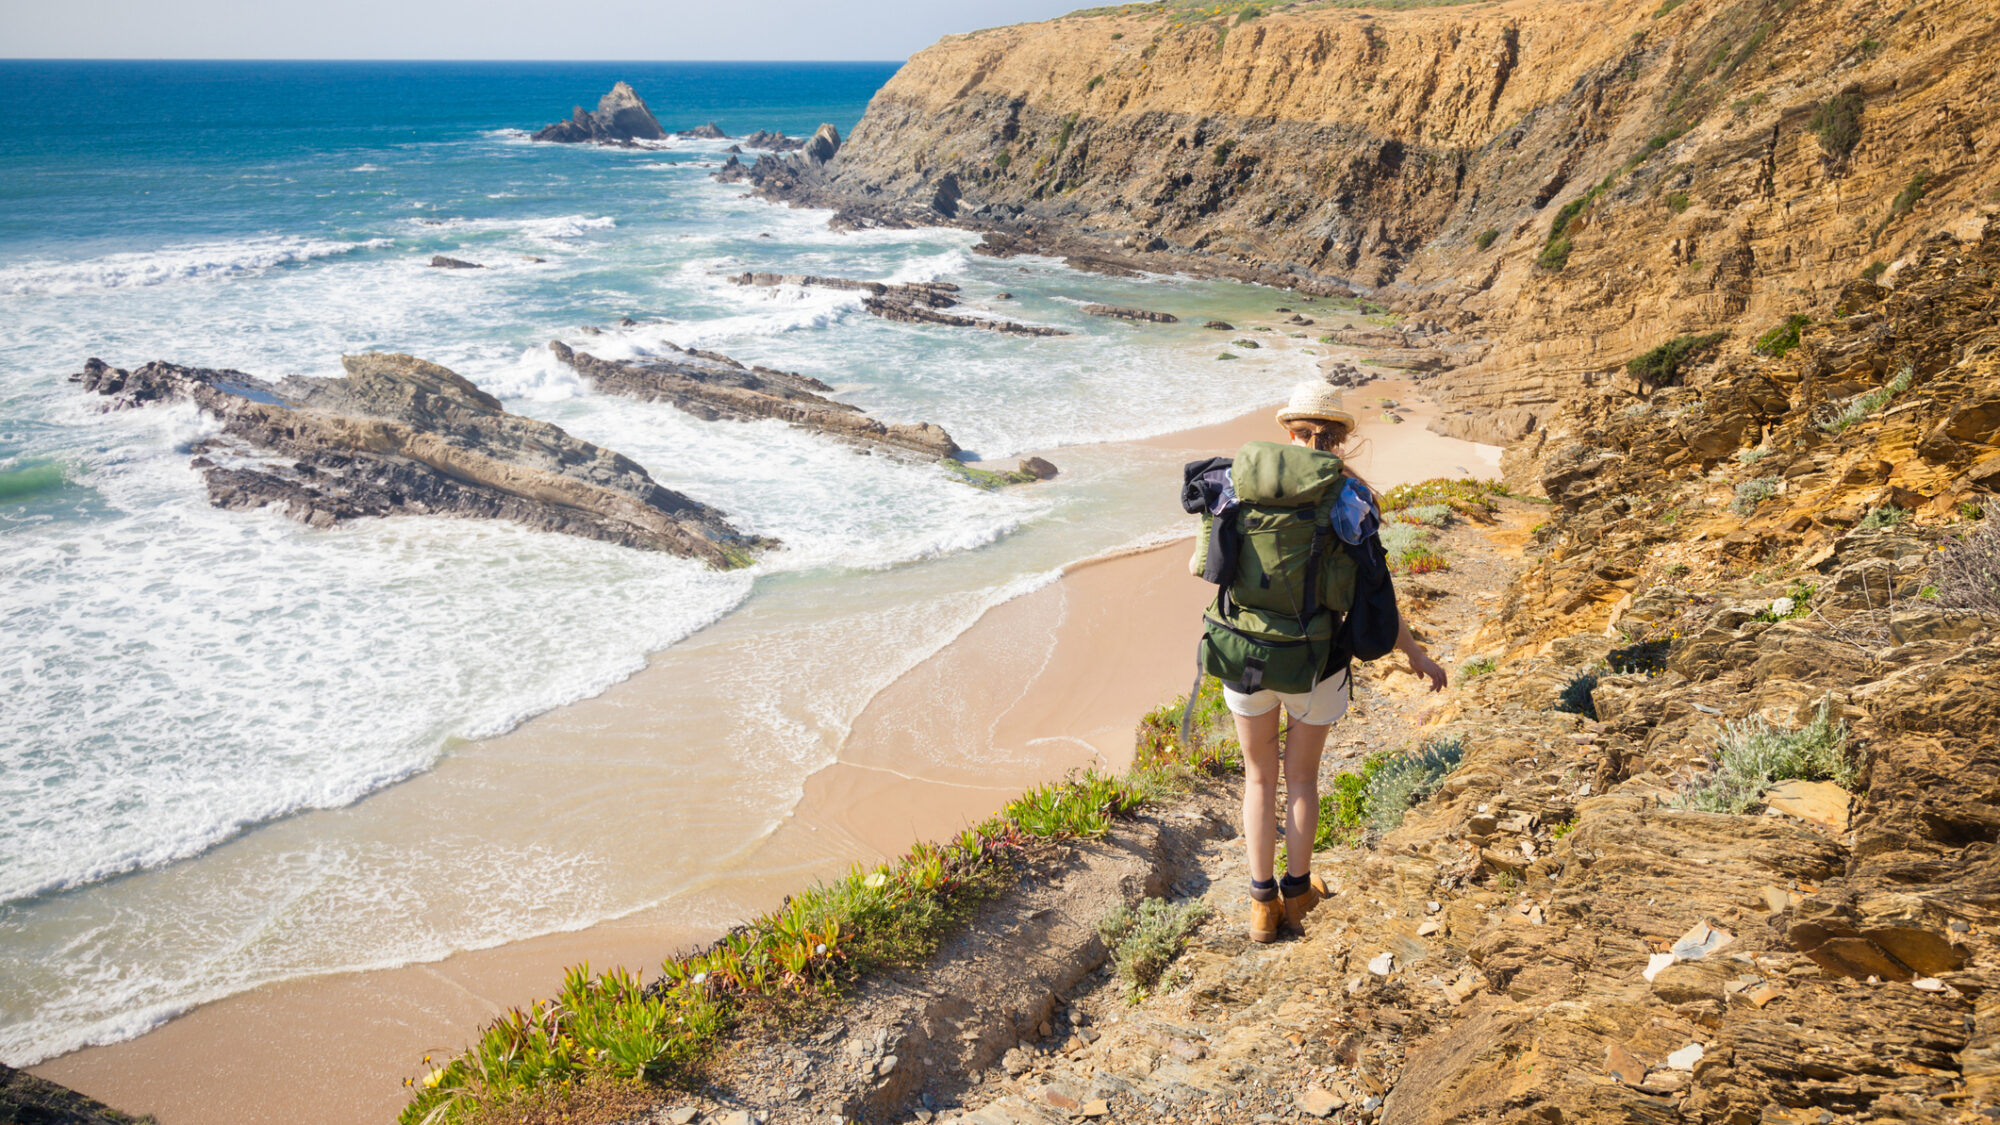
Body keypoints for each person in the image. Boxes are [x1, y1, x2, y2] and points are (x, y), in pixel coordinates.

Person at [1191, 381, 1448, 943]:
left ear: (1289, 431)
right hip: (1315, 660)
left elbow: (1206, 567)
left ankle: (1261, 907)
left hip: (1244, 653)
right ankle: (1298, 894)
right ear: (1338, 440)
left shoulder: (1235, 484)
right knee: (1303, 777)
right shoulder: (1350, 499)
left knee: (1259, 778)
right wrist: (1414, 653)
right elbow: (1375, 596)